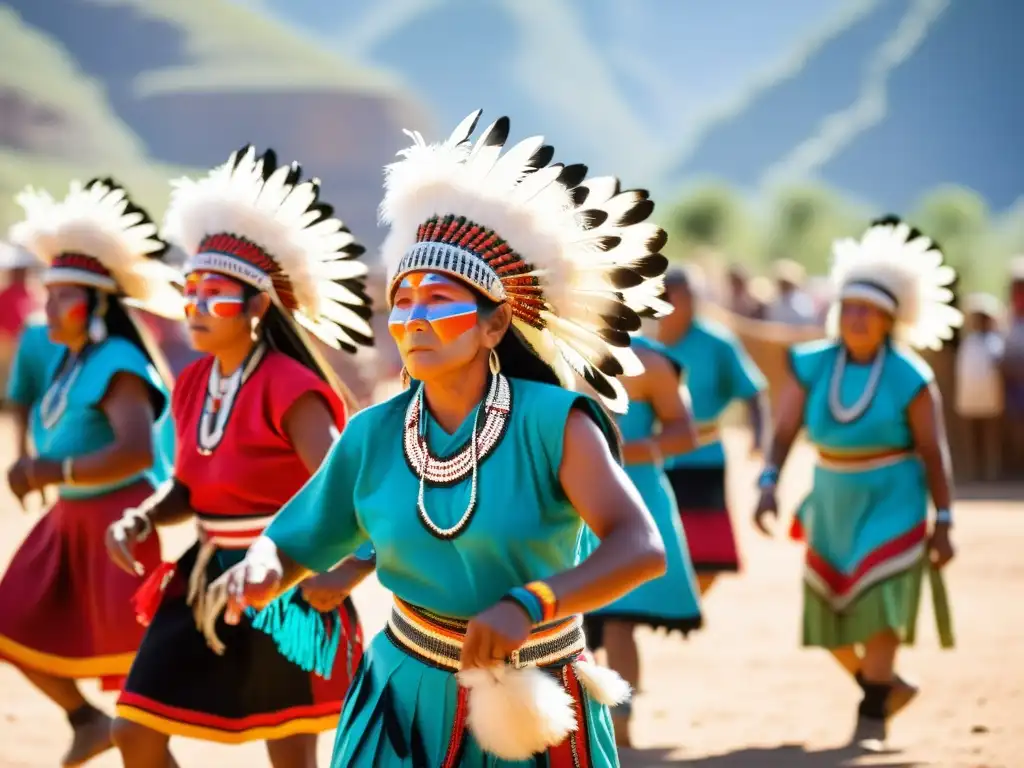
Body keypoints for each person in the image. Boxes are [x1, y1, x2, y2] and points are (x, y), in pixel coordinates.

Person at [207, 110, 670, 767]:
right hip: (403, 691)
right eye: (404, 300)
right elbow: (297, 540)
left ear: (494, 323)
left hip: (534, 699)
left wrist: (531, 603)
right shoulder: (374, 433)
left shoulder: (553, 421)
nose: (413, 319)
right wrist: (261, 570)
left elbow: (640, 547)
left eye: (440, 301)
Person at [106, 146, 377, 768]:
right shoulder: (194, 382)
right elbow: (188, 487)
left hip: (284, 583)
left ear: (257, 306)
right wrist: (144, 516)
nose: (196, 306)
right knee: (135, 731)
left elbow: (350, 491)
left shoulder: (291, 387)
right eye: (189, 291)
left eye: (216, 294)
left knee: (289, 755)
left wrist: (348, 570)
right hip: (202, 577)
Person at [755, 216, 961, 748]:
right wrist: (769, 482)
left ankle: (872, 717)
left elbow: (934, 453)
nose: (857, 318)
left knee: (883, 604)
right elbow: (783, 430)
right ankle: (886, 685)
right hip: (831, 499)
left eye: (869, 310)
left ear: (891, 320)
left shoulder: (911, 376)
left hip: (895, 497)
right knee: (829, 613)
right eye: (849, 307)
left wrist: (944, 518)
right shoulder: (812, 365)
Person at [0, 177, 181, 766]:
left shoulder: (120, 362)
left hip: (116, 525)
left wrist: (50, 465)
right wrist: (38, 465)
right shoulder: (71, 357)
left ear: (96, 303)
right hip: (69, 519)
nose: (47, 306)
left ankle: (116, 732)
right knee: (12, 623)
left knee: (139, 701)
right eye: (47, 293)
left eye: (62, 295)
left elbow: (132, 451)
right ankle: (84, 719)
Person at [581, 335, 702, 748]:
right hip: (565, 498)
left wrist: (627, 450)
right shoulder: (541, 355)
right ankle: (578, 723)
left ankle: (619, 723)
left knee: (618, 616)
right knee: (566, 615)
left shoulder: (650, 362)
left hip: (635, 494)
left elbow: (685, 434)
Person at [657, 266, 769, 595]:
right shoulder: (642, 339)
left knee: (708, 553)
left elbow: (755, 392)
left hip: (704, 455)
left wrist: (759, 438)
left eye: (676, 297)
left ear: (692, 301)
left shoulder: (717, 343)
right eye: (661, 297)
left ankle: (685, 603)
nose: (668, 304)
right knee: (652, 540)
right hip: (651, 456)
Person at [954, 293, 1005, 482]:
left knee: (990, 439)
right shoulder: (969, 342)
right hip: (970, 400)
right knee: (973, 439)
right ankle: (974, 472)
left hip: (991, 400)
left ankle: (992, 471)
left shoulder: (995, 342)